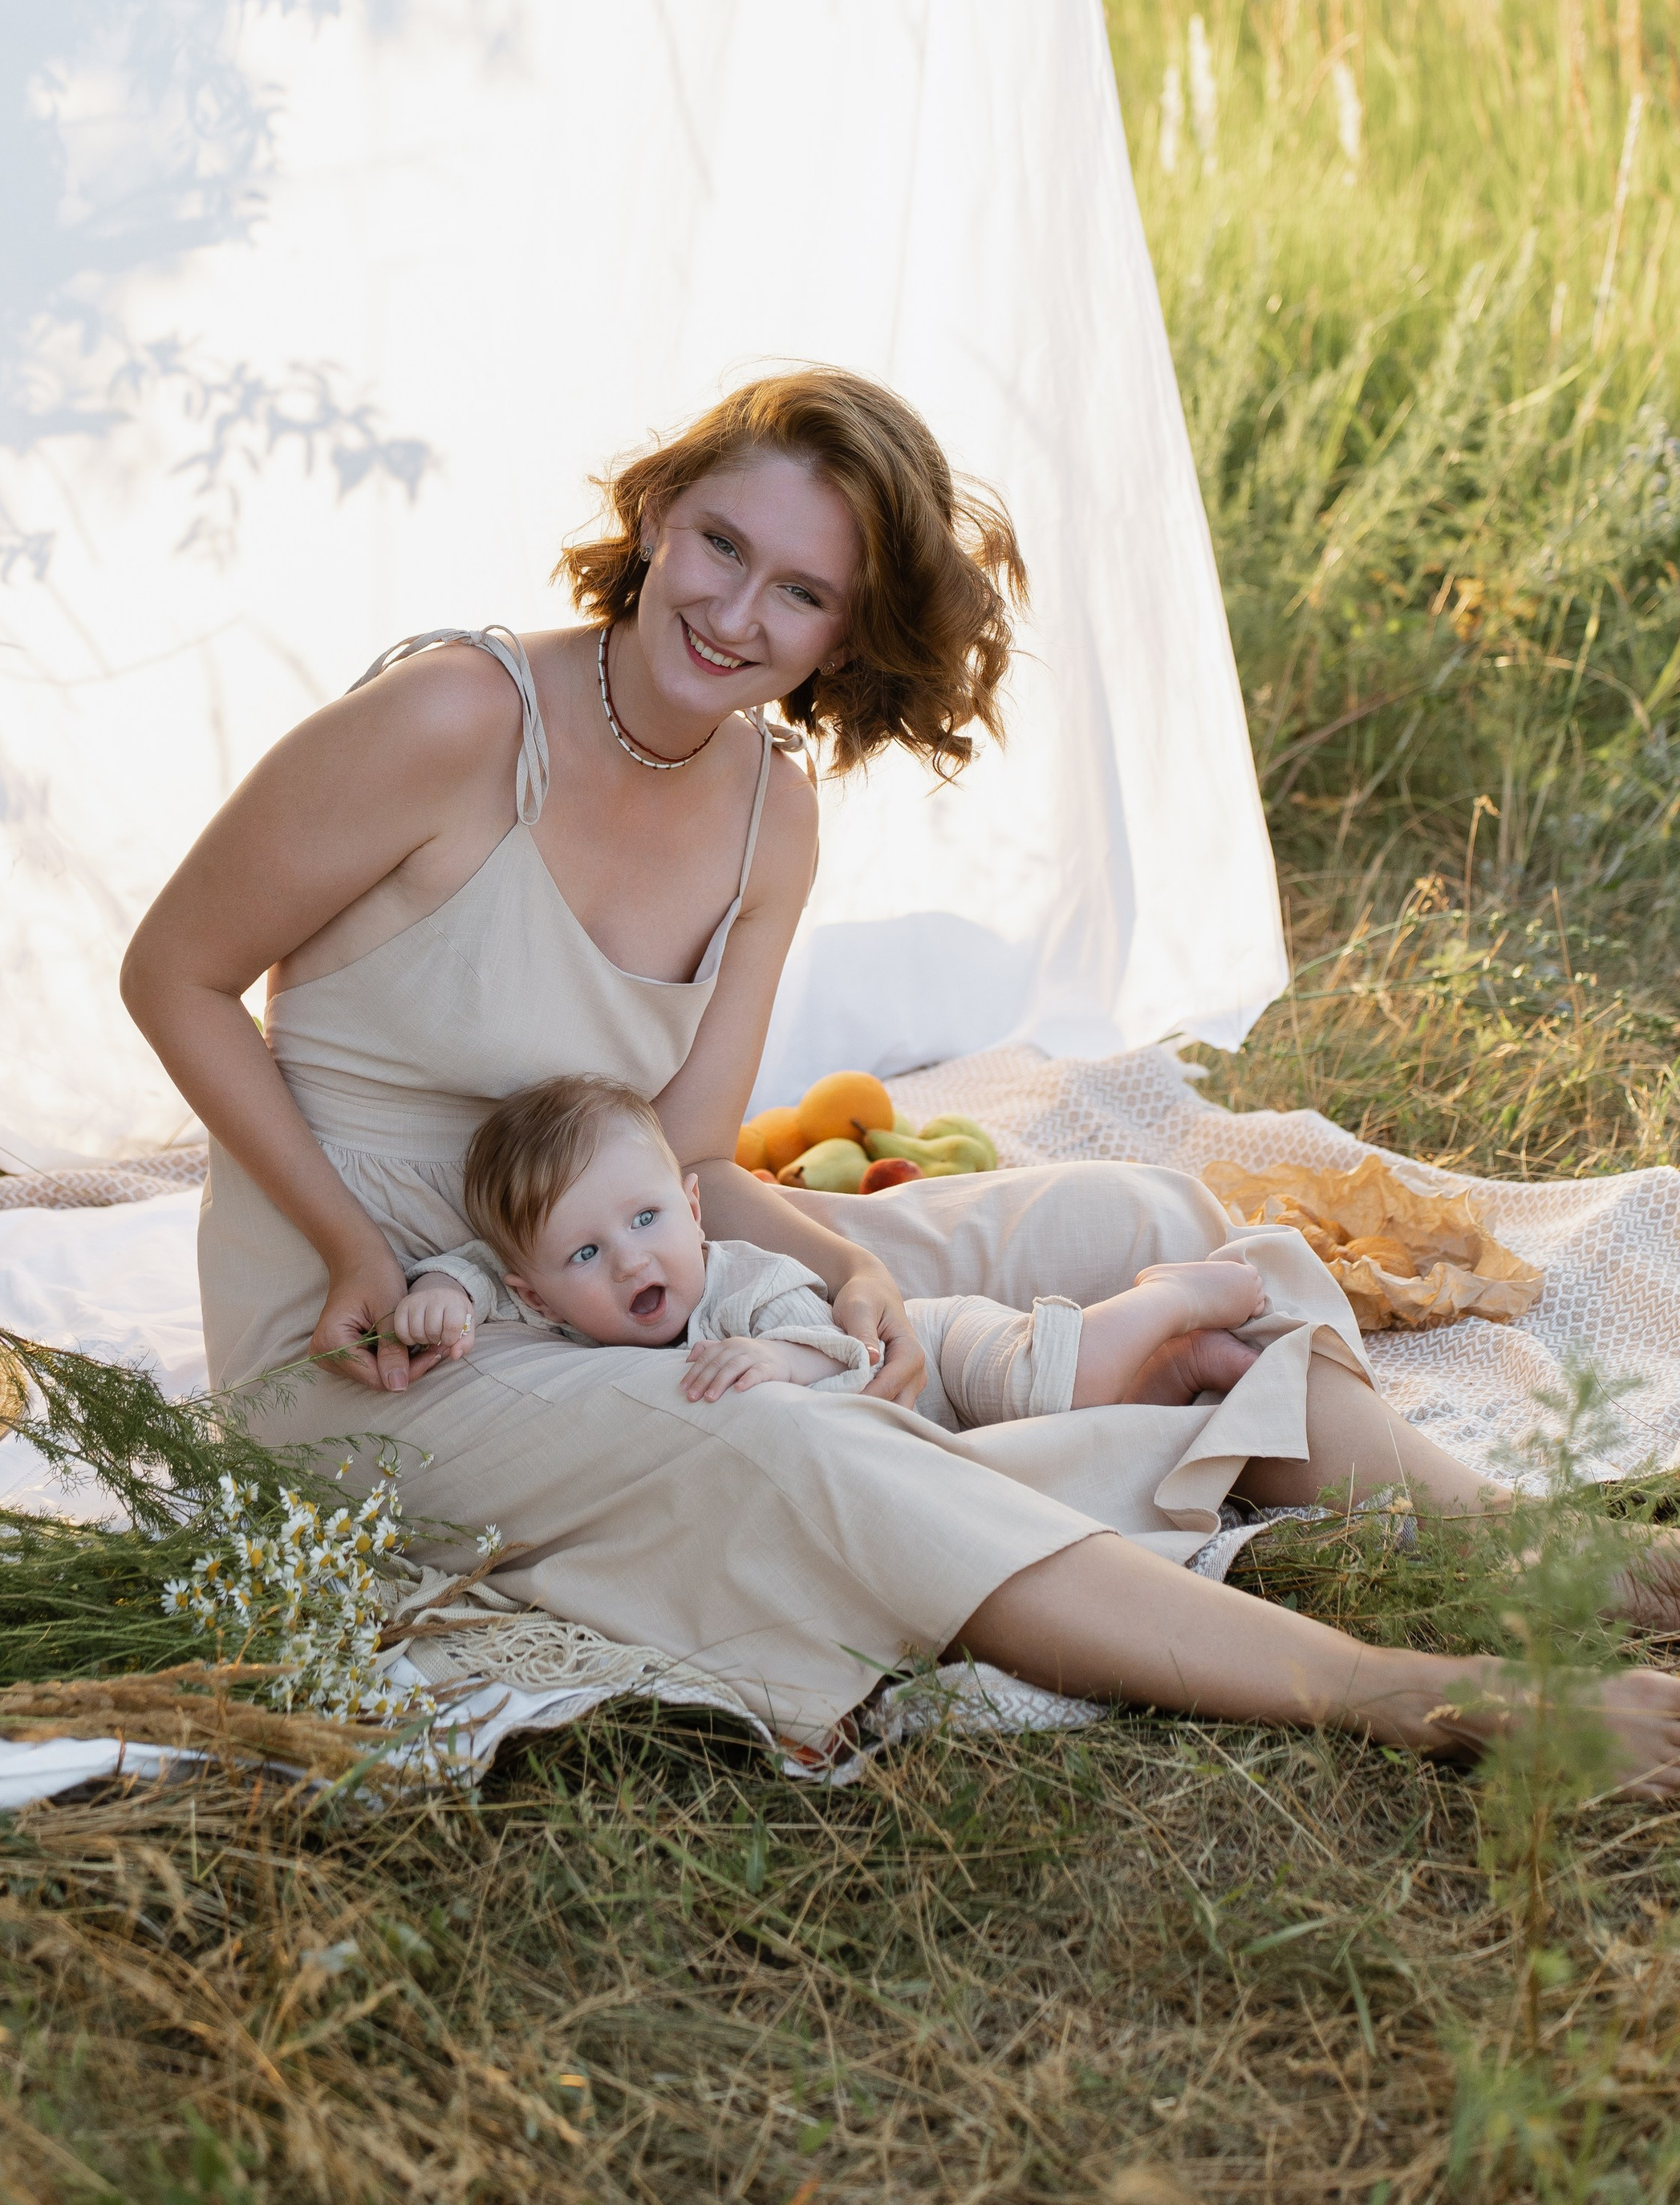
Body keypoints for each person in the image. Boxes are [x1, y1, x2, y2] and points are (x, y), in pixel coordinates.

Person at [122, 366, 1680, 1792]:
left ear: (841, 632)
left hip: (625, 1250)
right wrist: (344, 1251)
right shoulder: (457, 718)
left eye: (798, 592)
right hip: (391, 1326)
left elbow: (690, 1158)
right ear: (654, 514)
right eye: (720, 544)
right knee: (793, 1439)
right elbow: (173, 974)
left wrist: (848, 1276)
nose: (734, 613)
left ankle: (1541, 1555)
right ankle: (1400, 1693)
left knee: (1136, 1212)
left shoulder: (763, 816)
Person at [392, 1068, 1268, 1420]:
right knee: (1084, 1419)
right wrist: (446, 1290)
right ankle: (1183, 1367)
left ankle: (1168, 1298)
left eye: (647, 1220)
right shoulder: (552, 1312)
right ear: (539, 1296)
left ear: (695, 1209)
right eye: (586, 1254)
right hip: (937, 1423)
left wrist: (779, 1363)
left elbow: (842, 1343)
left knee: (1050, 1382)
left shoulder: (740, 1282)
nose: (629, 1260)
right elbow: (493, 1272)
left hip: (944, 1350)